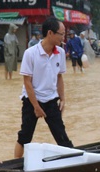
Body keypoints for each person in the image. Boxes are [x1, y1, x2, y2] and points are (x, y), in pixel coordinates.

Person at [14, 16, 74, 158]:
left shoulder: (60, 53)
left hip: (51, 100)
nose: (63, 37)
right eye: (61, 34)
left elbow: (59, 77)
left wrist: (63, 99)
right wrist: (36, 106)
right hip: (31, 100)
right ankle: (13, 166)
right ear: (50, 33)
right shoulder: (31, 53)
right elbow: (27, 82)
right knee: (25, 136)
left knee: (61, 135)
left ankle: (74, 162)